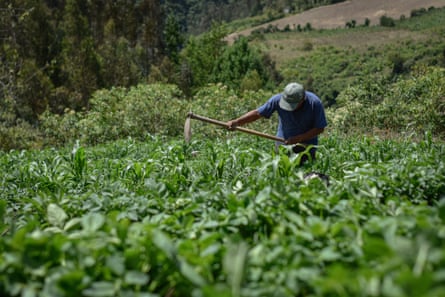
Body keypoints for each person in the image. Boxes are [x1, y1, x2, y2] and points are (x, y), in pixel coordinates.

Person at [227, 82, 327, 165]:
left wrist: (299, 138)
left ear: (302, 99)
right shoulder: (277, 100)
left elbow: (319, 128)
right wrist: (237, 122)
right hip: (282, 144)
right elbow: (258, 113)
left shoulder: (314, 103)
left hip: (306, 147)